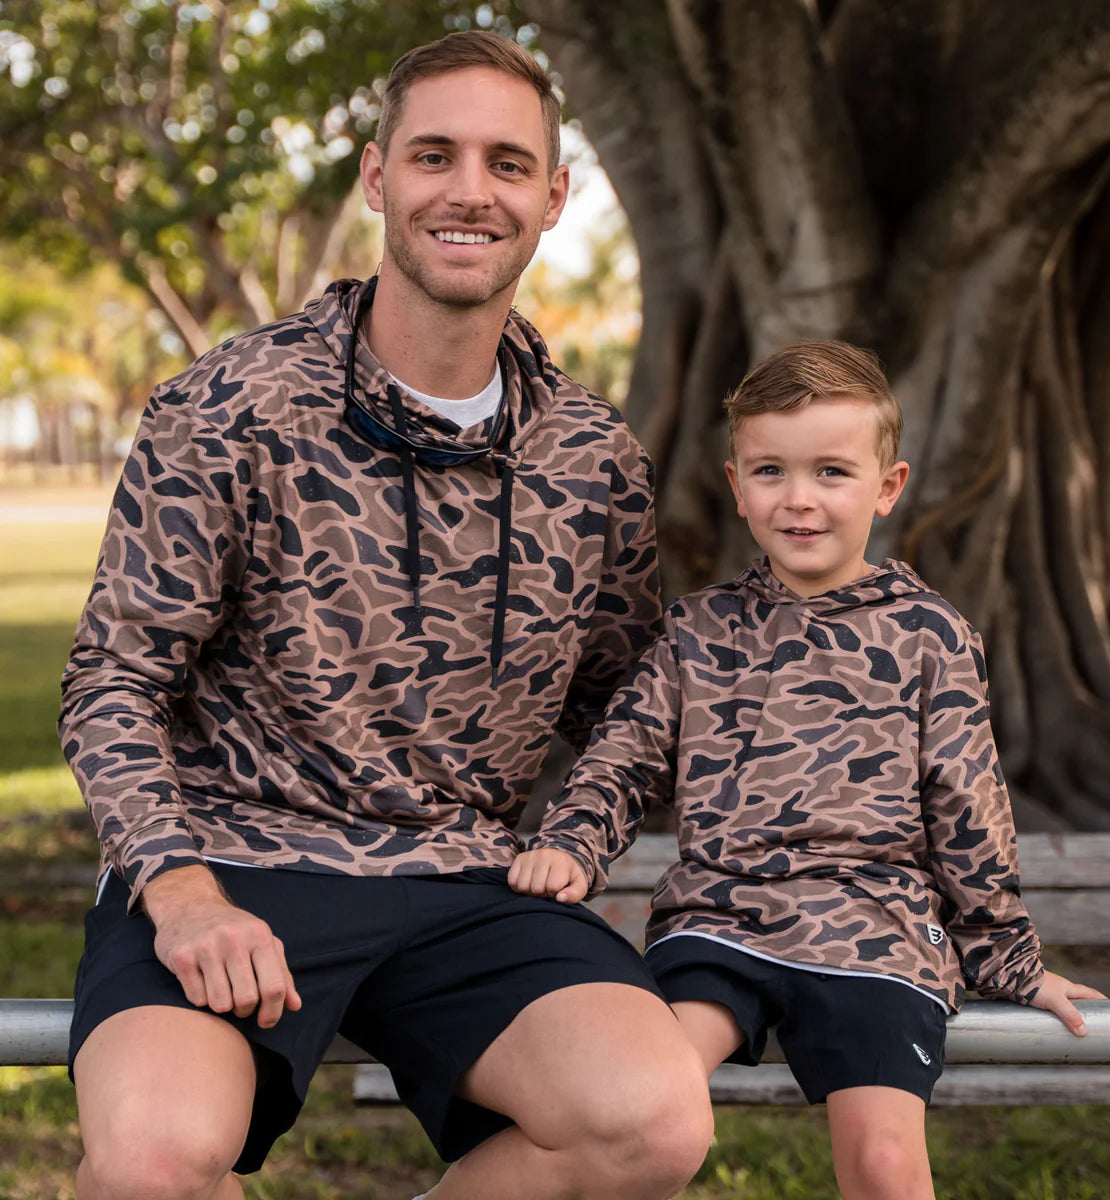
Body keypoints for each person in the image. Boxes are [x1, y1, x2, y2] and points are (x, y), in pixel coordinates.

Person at [59, 30, 713, 1200]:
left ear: (554, 197)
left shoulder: (594, 456)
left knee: (649, 1122)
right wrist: (180, 890)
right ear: (377, 177)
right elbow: (113, 682)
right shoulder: (226, 406)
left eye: (508, 163)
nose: (471, 191)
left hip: (465, 876)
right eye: (435, 156)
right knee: (152, 1162)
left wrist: (583, 837)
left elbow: (634, 704)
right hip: (230, 855)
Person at [510, 341, 1104, 1200]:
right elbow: (623, 759)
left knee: (885, 1164)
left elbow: (969, 807)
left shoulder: (931, 636)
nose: (799, 500)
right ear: (736, 485)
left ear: (887, 486)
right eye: (771, 472)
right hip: (723, 921)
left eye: (831, 472)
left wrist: (1006, 956)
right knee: (636, 1106)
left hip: (875, 933)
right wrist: (571, 842)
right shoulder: (698, 633)